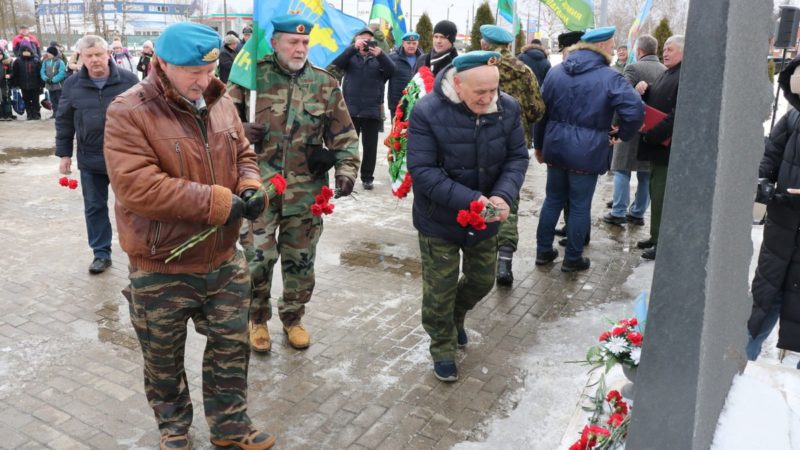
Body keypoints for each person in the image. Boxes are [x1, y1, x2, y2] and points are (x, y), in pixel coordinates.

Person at [103, 22, 276, 450]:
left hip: (222, 259)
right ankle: (174, 427)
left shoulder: (220, 101)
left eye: (209, 68)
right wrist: (217, 203)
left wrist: (251, 187)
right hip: (161, 263)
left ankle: (230, 425)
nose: (203, 81)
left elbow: (243, 155)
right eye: (191, 72)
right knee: (162, 358)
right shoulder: (128, 110)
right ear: (161, 64)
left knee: (231, 350)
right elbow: (136, 186)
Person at [228, 15, 360, 353]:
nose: (300, 48)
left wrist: (345, 170)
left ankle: (293, 318)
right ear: (274, 43)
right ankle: (257, 319)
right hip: (257, 189)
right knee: (257, 259)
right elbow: (216, 124)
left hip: (306, 192)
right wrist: (239, 131)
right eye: (292, 42)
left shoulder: (325, 83)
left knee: (300, 260)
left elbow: (344, 135)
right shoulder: (250, 77)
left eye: (304, 43)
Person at [407, 51, 529, 381]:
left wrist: (502, 196)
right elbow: (422, 171)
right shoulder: (427, 112)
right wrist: (473, 200)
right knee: (440, 289)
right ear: (457, 84)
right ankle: (442, 344)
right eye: (480, 92)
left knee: (481, 280)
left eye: (494, 90)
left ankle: (457, 314)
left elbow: (517, 158)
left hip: (487, 216)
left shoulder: (507, 108)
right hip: (439, 219)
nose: (489, 99)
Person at [533, 27, 643, 272]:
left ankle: (543, 252)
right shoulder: (609, 76)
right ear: (602, 46)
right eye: (612, 46)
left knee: (553, 200)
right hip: (587, 150)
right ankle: (572, 259)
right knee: (580, 205)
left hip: (556, 147)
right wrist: (622, 134)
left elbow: (541, 114)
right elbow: (635, 110)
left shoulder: (556, 72)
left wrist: (539, 146)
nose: (614, 51)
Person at [55, 35, 139, 273]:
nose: (94, 60)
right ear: (81, 57)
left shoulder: (129, 81)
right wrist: (64, 154)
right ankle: (101, 253)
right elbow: (64, 120)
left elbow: (145, 118)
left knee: (132, 206)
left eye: (98, 55)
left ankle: (139, 251)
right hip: (90, 159)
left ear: (108, 55)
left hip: (125, 159)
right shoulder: (72, 84)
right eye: (88, 56)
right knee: (94, 207)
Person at [478, 24, 545, 286]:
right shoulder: (523, 70)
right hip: (514, 143)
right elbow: (537, 109)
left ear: (485, 43)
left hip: (479, 141)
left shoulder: (477, 68)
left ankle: (482, 254)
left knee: (482, 196)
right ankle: (504, 261)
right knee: (508, 199)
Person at [746, 60, 800, 369]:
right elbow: (769, 157)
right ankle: (744, 361)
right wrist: (762, 184)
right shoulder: (792, 118)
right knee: (766, 296)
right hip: (782, 226)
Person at [602, 35, 665, 227]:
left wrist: (614, 125)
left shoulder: (633, 68)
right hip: (653, 130)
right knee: (645, 174)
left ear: (638, 51)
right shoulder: (665, 71)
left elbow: (622, 97)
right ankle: (637, 213)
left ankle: (618, 211)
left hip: (629, 128)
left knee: (621, 170)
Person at [635, 35, 684, 260]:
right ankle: (655, 236)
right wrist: (646, 88)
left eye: (670, 49)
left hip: (667, 147)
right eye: (664, 49)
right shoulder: (669, 71)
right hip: (658, 147)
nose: (665, 52)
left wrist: (652, 135)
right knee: (656, 192)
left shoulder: (685, 75)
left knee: (662, 196)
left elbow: (676, 116)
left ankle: (661, 242)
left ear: (683, 51)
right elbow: (660, 94)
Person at [332, 27, 395, 190]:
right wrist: (353, 48)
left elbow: (392, 70)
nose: (366, 43)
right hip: (350, 110)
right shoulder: (351, 57)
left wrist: (380, 54)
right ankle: (346, 176)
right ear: (357, 40)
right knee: (348, 146)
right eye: (362, 40)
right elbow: (336, 65)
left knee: (370, 147)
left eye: (369, 40)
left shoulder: (378, 59)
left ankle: (367, 177)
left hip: (372, 110)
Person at [387, 32, 423, 121]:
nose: (411, 46)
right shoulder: (392, 58)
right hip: (397, 103)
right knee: (397, 133)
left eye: (414, 43)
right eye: (408, 43)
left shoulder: (423, 59)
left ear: (417, 44)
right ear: (403, 43)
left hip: (416, 103)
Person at [10, 44, 43, 120]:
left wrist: (41, 83)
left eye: (28, 51)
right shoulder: (18, 61)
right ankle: (29, 114)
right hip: (23, 85)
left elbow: (40, 73)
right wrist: (14, 83)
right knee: (26, 100)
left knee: (35, 100)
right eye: (24, 51)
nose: (26, 53)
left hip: (35, 85)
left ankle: (36, 114)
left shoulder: (36, 61)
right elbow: (15, 73)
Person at [40, 46, 67, 118]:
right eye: (47, 52)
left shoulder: (60, 62)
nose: (47, 54)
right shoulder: (45, 62)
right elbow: (42, 71)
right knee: (53, 100)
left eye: (49, 53)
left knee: (60, 100)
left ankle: (61, 114)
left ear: (53, 53)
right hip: (49, 85)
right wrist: (46, 79)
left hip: (58, 86)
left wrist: (54, 80)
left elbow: (62, 73)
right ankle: (55, 113)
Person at [0, 45, 13, 121]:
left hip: (5, 84)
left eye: (0, 54)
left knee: (6, 99)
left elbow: (12, 72)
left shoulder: (6, 63)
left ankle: (8, 115)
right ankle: (1, 115)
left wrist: (9, 75)